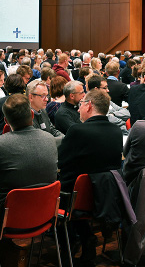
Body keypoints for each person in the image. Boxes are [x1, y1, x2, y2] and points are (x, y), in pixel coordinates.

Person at [57, 89, 123, 266]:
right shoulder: (116, 132)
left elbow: (61, 161)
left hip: (74, 198)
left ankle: (69, 246)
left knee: (58, 187)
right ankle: (86, 237)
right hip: (104, 197)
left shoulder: (77, 131)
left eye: (81, 105)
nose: (78, 110)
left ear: (89, 105)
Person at [0, 94, 58, 208]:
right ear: (32, 115)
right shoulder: (50, 139)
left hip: (8, 215)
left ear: (6, 121)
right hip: (44, 212)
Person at [27, 80, 64, 146]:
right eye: (43, 96)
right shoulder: (25, 117)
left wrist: (63, 137)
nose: (46, 99)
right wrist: (61, 140)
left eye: (47, 96)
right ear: (31, 97)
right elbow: (39, 142)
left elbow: (52, 130)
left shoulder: (43, 110)